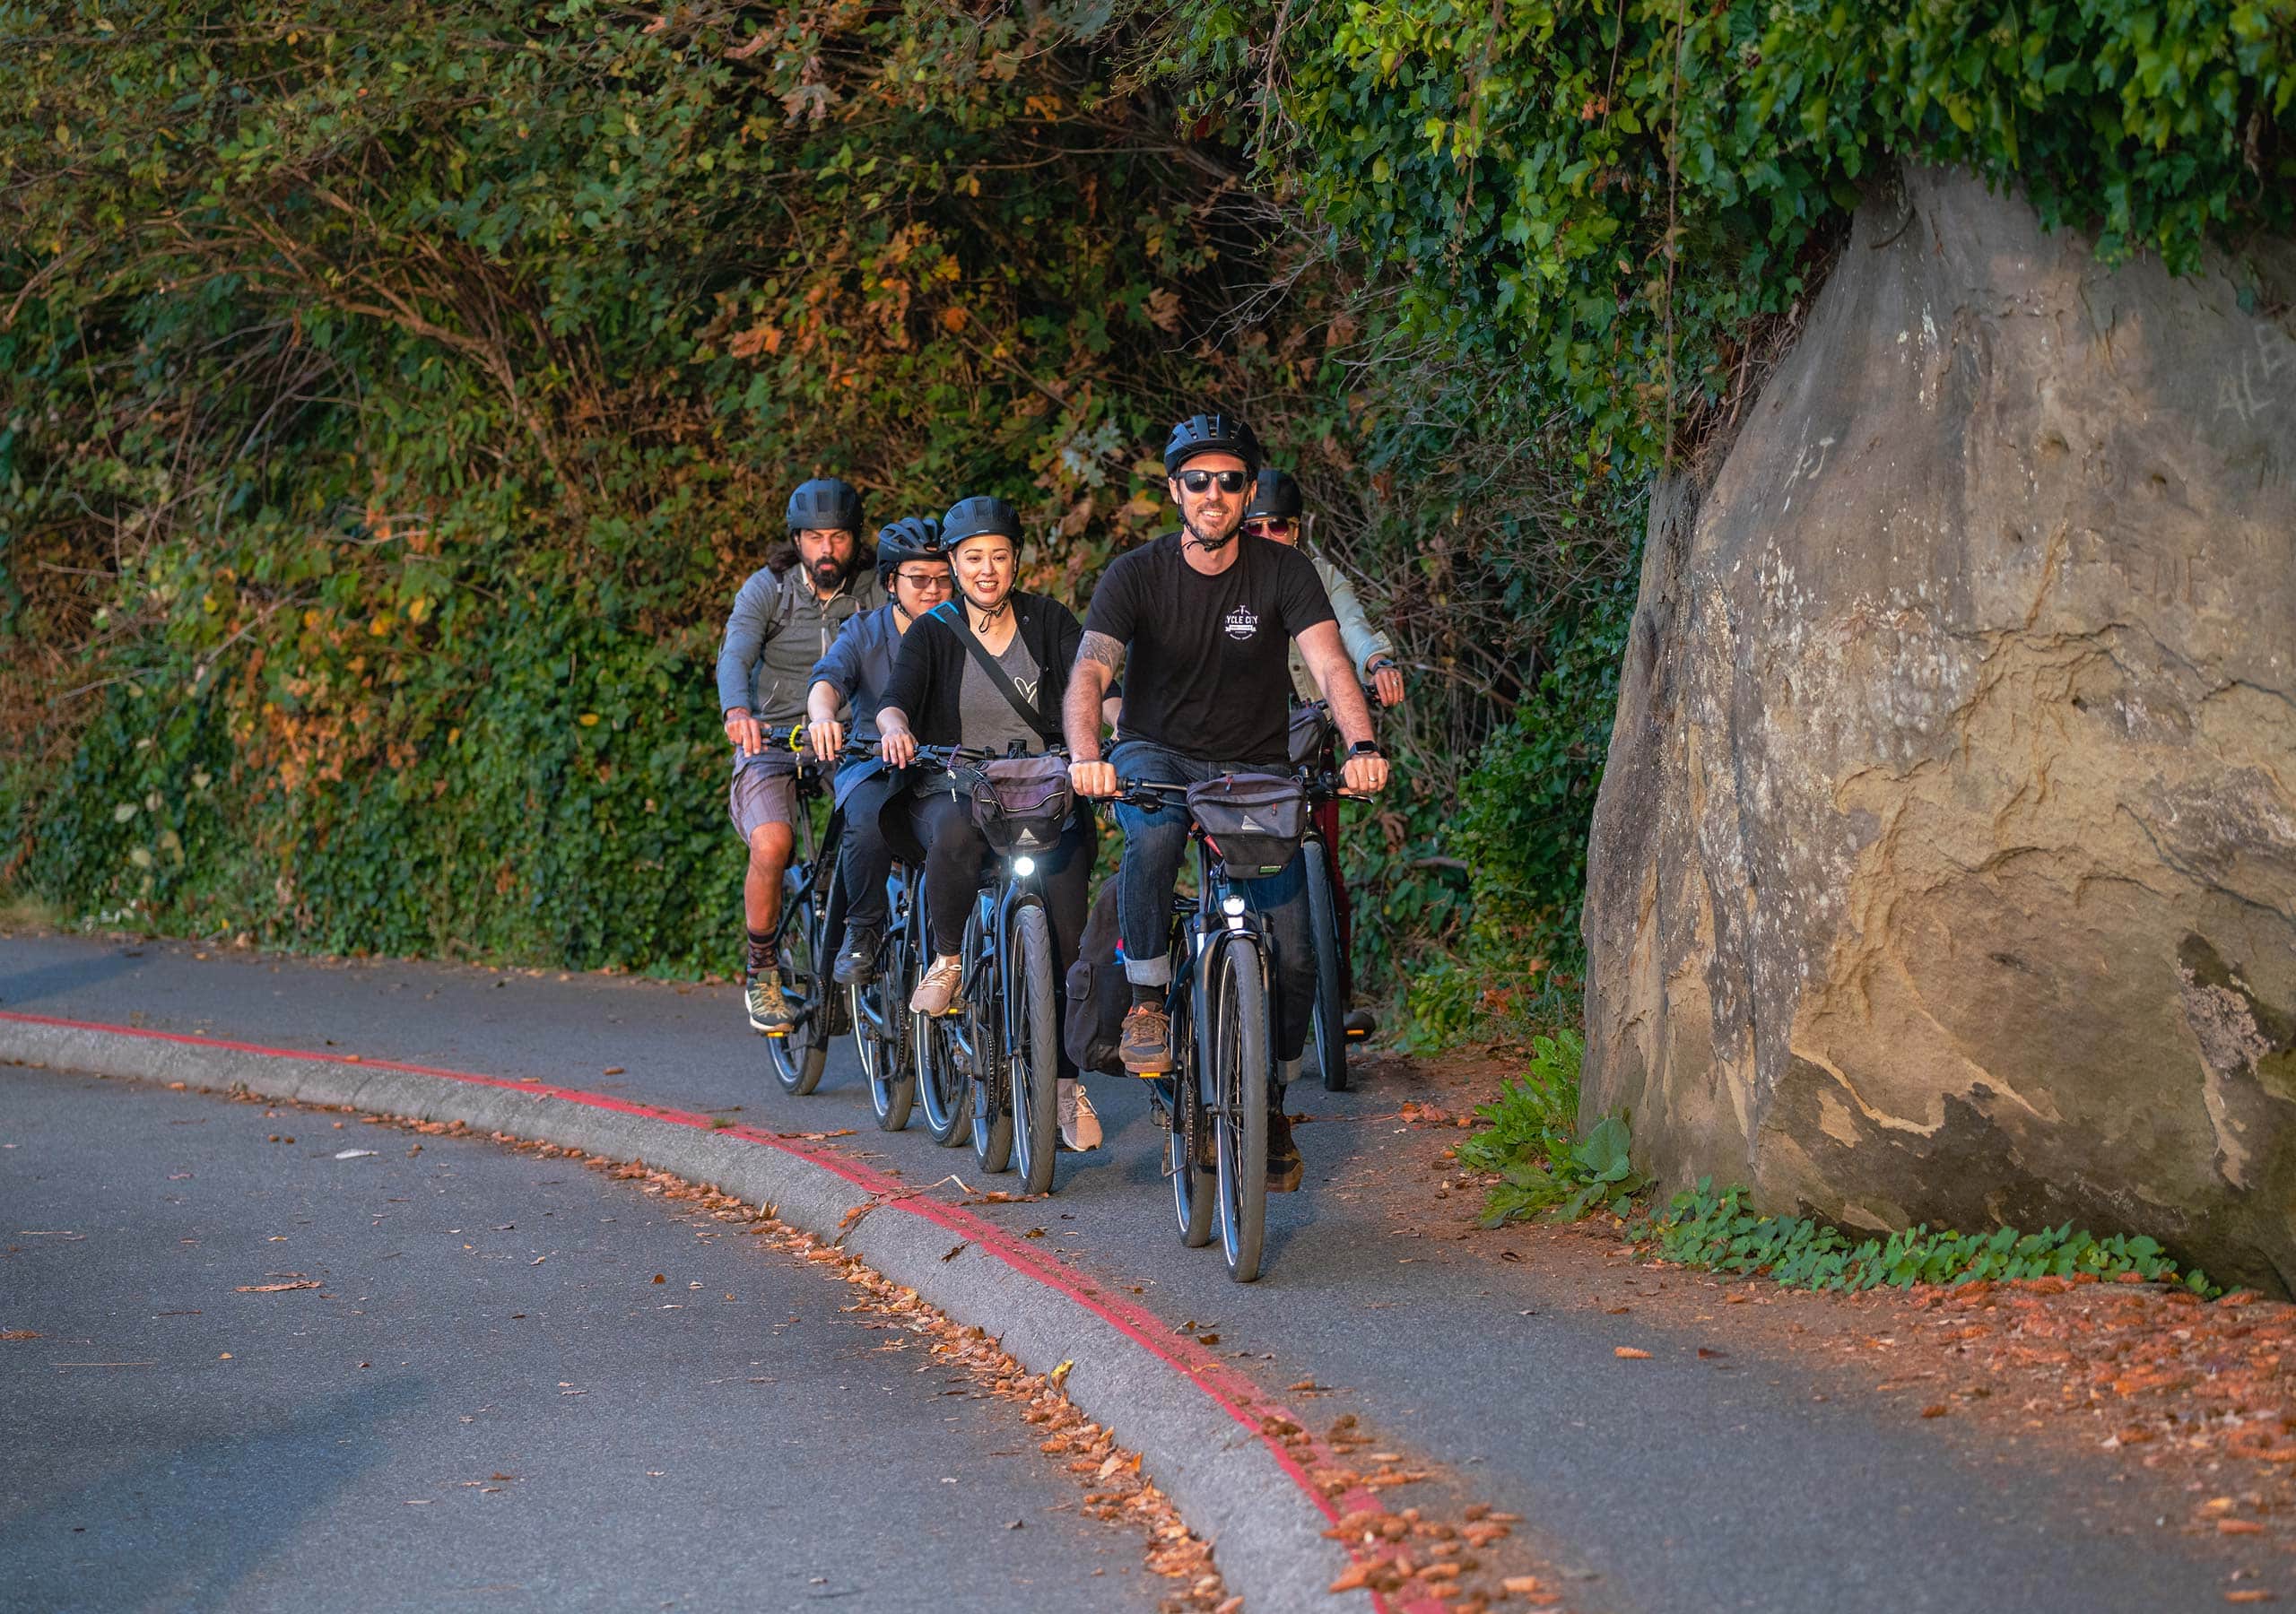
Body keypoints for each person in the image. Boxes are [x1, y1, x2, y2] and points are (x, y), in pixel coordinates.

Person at [1064, 413, 1389, 1193]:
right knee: (1152, 839)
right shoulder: (1137, 574)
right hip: (1156, 753)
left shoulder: (1284, 571)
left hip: (1254, 765)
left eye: (1231, 481)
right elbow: (1089, 675)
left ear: (1248, 491)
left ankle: (1270, 1099)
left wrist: (1362, 745)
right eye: (1199, 480)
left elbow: (1330, 663)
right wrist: (1086, 758)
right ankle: (1148, 1001)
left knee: (1295, 948)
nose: (1215, 494)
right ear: (1176, 490)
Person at [875, 496, 1106, 1152]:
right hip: (958, 787)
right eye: (973, 557)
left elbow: (1093, 687)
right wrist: (895, 732)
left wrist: (1114, 731)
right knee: (952, 835)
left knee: (1068, 948)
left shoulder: (1049, 620)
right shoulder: (932, 631)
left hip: (1043, 791)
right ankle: (950, 958)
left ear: (1015, 561)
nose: (986, 569)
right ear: (953, 563)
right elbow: (895, 703)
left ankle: (1065, 1086)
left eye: (998, 557)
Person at [715, 477, 885, 1032]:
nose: (826, 550)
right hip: (773, 738)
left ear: (855, 539)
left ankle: (875, 946)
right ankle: (762, 968)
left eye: (838, 537)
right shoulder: (769, 589)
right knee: (772, 843)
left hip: (850, 737)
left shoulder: (876, 588)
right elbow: (735, 655)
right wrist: (737, 711)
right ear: (797, 540)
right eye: (814, 538)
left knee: (885, 828)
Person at [1244, 467, 1403, 1037]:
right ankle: (1234, 985)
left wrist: (1376, 660)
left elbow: (1351, 628)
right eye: (1255, 527)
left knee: (1324, 863)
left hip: (1310, 736)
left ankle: (1336, 998)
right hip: (1241, 741)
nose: (1268, 537)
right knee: (1234, 858)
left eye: (1279, 527)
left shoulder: (1320, 576)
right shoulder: (1221, 576)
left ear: (1297, 529)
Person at [803, 516, 954, 985]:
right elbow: (828, 679)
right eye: (919, 579)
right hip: (874, 764)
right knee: (868, 821)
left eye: (944, 579)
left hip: (947, 766)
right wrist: (823, 718)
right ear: (891, 582)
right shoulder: (864, 631)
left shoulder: (966, 630)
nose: (933, 590)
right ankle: (863, 930)